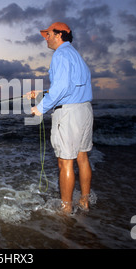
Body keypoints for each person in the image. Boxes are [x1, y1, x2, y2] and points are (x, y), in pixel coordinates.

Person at [30, 22, 93, 215]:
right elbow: (69, 86)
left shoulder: (60, 54)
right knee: (82, 157)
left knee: (65, 161)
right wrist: (42, 92)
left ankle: (66, 209)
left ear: (59, 35)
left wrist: (40, 108)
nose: (46, 38)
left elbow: (62, 87)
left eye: (48, 34)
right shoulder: (75, 56)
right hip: (84, 111)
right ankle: (84, 200)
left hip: (68, 114)